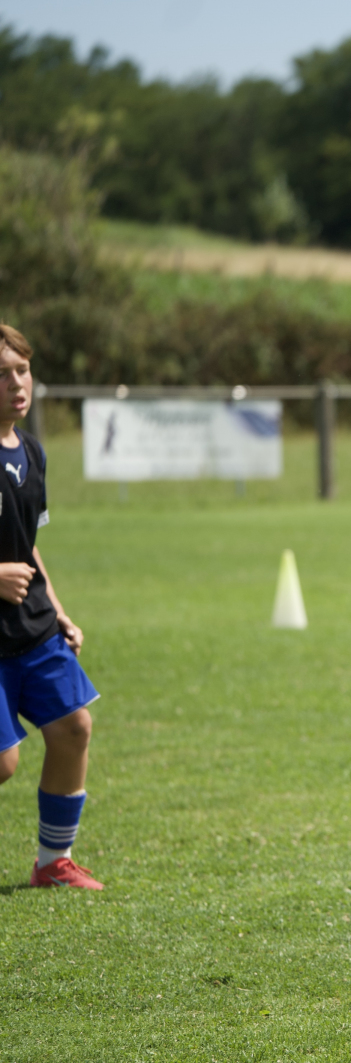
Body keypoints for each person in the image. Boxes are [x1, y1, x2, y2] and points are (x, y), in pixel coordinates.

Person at [0, 325, 102, 890]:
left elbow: (28, 544)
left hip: (32, 627)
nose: (16, 384)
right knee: (3, 763)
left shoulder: (32, 453)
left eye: (22, 370)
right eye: (1, 375)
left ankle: (53, 863)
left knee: (72, 727)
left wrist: (58, 610)